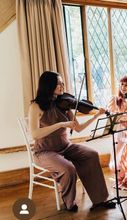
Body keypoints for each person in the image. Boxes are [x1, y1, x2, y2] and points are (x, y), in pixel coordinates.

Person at [28, 71, 115, 212]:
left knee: (92, 154)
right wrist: (61, 124)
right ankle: (69, 203)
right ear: (48, 85)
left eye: (62, 82)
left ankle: (100, 200)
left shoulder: (64, 104)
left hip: (66, 146)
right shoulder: (35, 107)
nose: (62, 86)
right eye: (58, 83)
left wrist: (96, 116)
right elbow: (35, 134)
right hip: (44, 151)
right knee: (68, 168)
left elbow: (78, 128)